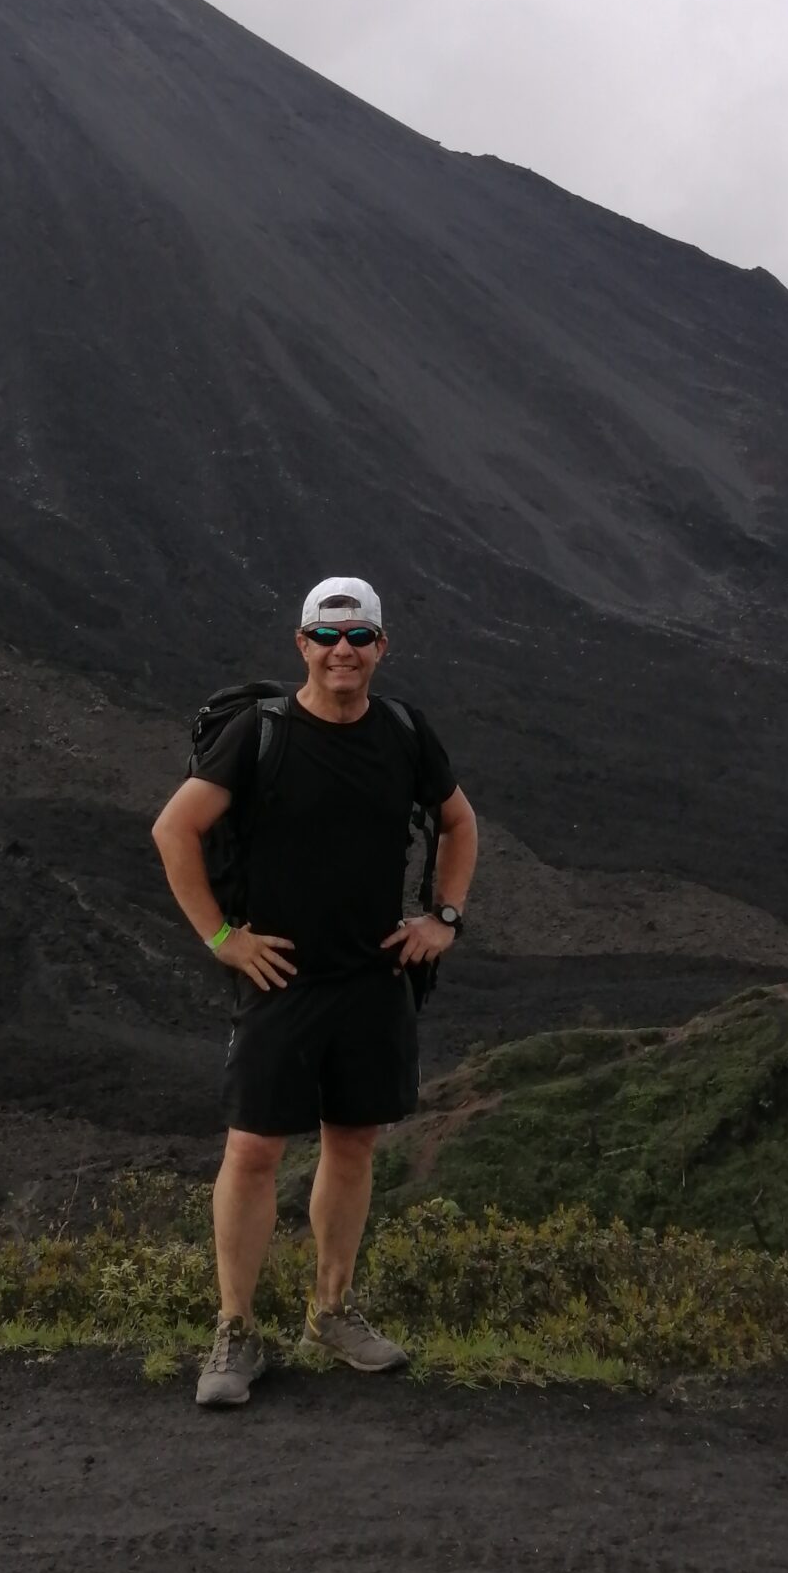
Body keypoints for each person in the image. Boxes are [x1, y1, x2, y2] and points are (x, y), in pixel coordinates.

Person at [151, 576, 478, 1407]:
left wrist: (443, 917)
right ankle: (235, 1330)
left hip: (372, 975)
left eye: (359, 637)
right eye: (327, 637)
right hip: (282, 977)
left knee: (353, 1142)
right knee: (254, 1151)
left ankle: (331, 1312)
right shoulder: (260, 735)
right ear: (302, 644)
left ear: (381, 647)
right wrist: (222, 938)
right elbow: (174, 828)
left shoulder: (403, 732)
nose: (343, 652)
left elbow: (459, 821)